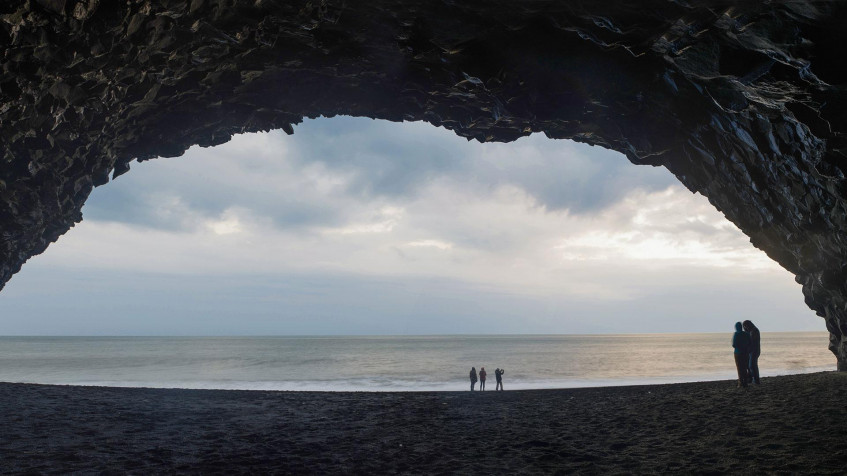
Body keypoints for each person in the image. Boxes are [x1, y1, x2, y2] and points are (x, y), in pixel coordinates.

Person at [732, 321, 751, 387]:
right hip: (745, 353)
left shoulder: (736, 334)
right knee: (745, 367)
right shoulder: (746, 334)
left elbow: (734, 345)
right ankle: (745, 382)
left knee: (739, 368)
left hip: (738, 353)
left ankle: (740, 382)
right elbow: (750, 343)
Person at [743, 320, 761, 384]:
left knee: (752, 365)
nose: (745, 327)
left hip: (754, 350)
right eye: (744, 326)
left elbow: (752, 341)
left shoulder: (754, 330)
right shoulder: (751, 331)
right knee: (750, 365)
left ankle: (756, 379)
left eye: (746, 326)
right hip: (751, 350)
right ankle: (752, 379)